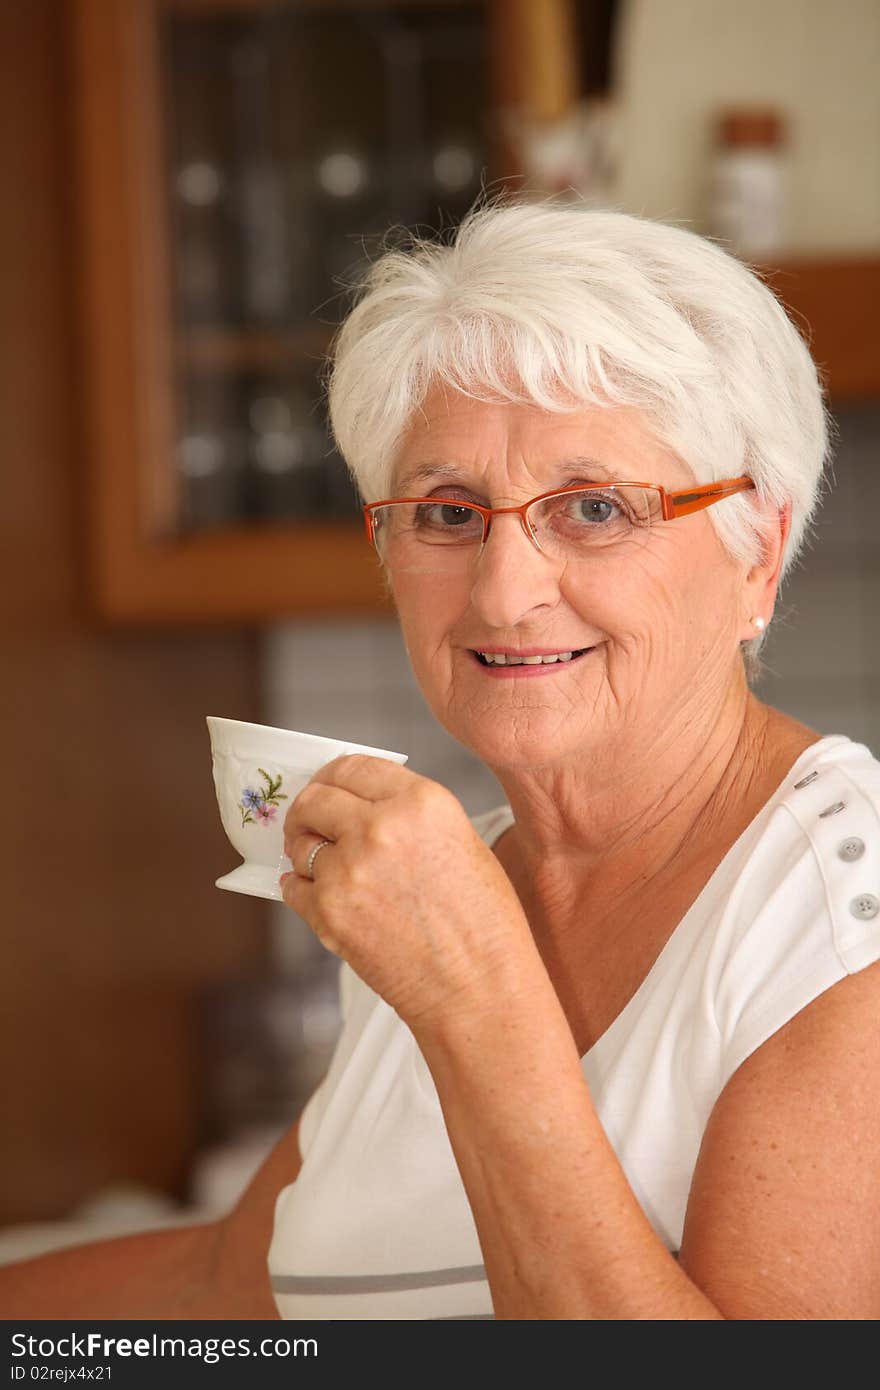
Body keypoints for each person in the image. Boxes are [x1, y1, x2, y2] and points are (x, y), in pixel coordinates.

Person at [4, 199, 879, 1321]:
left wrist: (475, 999)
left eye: (594, 507)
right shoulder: (449, 887)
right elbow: (231, 1288)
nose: (505, 591)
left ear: (755, 553)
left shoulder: (833, 920)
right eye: (448, 511)